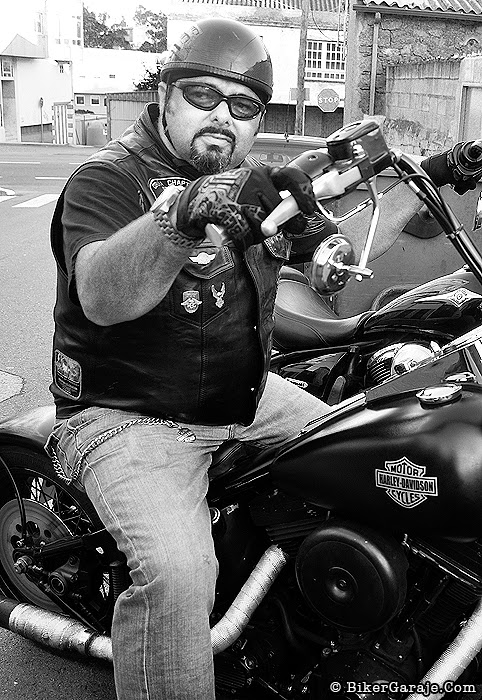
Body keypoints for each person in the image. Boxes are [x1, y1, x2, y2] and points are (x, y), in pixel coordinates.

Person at [45, 17, 335, 700]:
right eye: (204, 95)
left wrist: (305, 236)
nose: (223, 116)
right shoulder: (106, 180)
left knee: (370, 453)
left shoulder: (242, 179)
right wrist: (177, 221)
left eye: (244, 106)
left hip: (243, 396)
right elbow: (102, 295)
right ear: (165, 96)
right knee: (176, 574)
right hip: (126, 416)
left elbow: (285, 241)